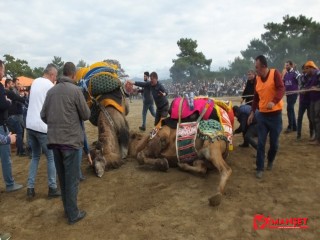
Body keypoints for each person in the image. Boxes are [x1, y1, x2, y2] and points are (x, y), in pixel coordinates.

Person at [41, 62, 90, 225]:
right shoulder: (76, 91)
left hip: (54, 142)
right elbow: (86, 114)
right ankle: (73, 213)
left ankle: (67, 209)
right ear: (74, 74)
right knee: (72, 179)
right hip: (71, 142)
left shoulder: (51, 91)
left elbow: (43, 115)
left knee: (62, 178)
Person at [26, 63, 61, 199]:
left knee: (35, 156)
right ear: (52, 74)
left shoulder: (35, 82)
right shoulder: (49, 85)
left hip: (30, 125)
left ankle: (30, 188)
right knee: (51, 157)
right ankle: (52, 188)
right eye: (55, 76)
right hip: (42, 127)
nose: (55, 79)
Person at [248, 55, 285, 179]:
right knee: (261, 143)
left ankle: (270, 160)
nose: (256, 70)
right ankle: (259, 168)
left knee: (274, 144)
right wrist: (253, 112)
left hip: (275, 116)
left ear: (263, 66)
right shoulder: (257, 79)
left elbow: (281, 89)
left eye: (257, 67)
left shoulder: (275, 74)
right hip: (262, 116)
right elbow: (256, 97)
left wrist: (274, 101)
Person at [0, 60, 23, 192]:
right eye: (2, 69)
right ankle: (10, 184)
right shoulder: (0, 87)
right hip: (1, 127)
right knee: (6, 157)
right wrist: (8, 102)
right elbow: (3, 104)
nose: (3, 73)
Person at [5, 78, 27, 156]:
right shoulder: (9, 92)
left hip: (8, 117)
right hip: (12, 116)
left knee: (12, 133)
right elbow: (18, 98)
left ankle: (18, 150)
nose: (13, 85)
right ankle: (20, 151)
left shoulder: (5, 92)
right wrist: (25, 99)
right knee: (19, 132)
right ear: (7, 84)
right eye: (12, 84)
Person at [303, 61, 320, 145]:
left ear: (311, 68)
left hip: (318, 99)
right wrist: (304, 90)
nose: (305, 71)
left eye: (306, 69)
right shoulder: (312, 76)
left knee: (317, 119)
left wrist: (316, 87)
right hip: (312, 100)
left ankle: (318, 139)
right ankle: (316, 136)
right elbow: (308, 85)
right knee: (313, 118)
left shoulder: (318, 73)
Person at [296, 64, 314, 140]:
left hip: (309, 101)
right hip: (302, 101)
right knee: (299, 118)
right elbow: (300, 86)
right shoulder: (301, 77)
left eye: (306, 69)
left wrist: (307, 89)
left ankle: (311, 134)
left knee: (310, 118)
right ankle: (298, 135)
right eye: (304, 69)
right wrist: (302, 90)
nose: (305, 71)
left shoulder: (312, 77)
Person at [283, 60, 299, 133]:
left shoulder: (295, 73)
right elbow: (284, 83)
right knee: (291, 109)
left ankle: (290, 126)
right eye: (285, 65)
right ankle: (294, 126)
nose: (286, 67)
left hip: (293, 94)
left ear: (291, 65)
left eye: (287, 65)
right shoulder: (286, 74)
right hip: (288, 94)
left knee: (289, 108)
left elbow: (301, 81)